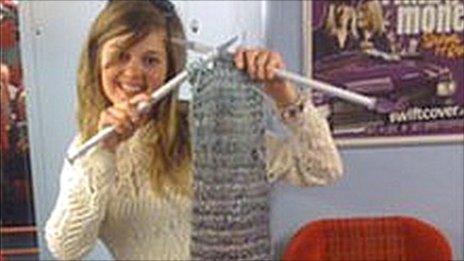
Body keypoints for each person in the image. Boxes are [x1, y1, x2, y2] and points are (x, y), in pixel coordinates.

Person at [45, 1, 343, 260]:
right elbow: (66, 247)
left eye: (150, 60)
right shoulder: (89, 151)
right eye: (121, 55)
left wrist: (282, 93)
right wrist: (103, 153)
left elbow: (322, 168)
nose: (133, 72)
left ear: (170, 68)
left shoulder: (209, 129)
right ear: (97, 62)